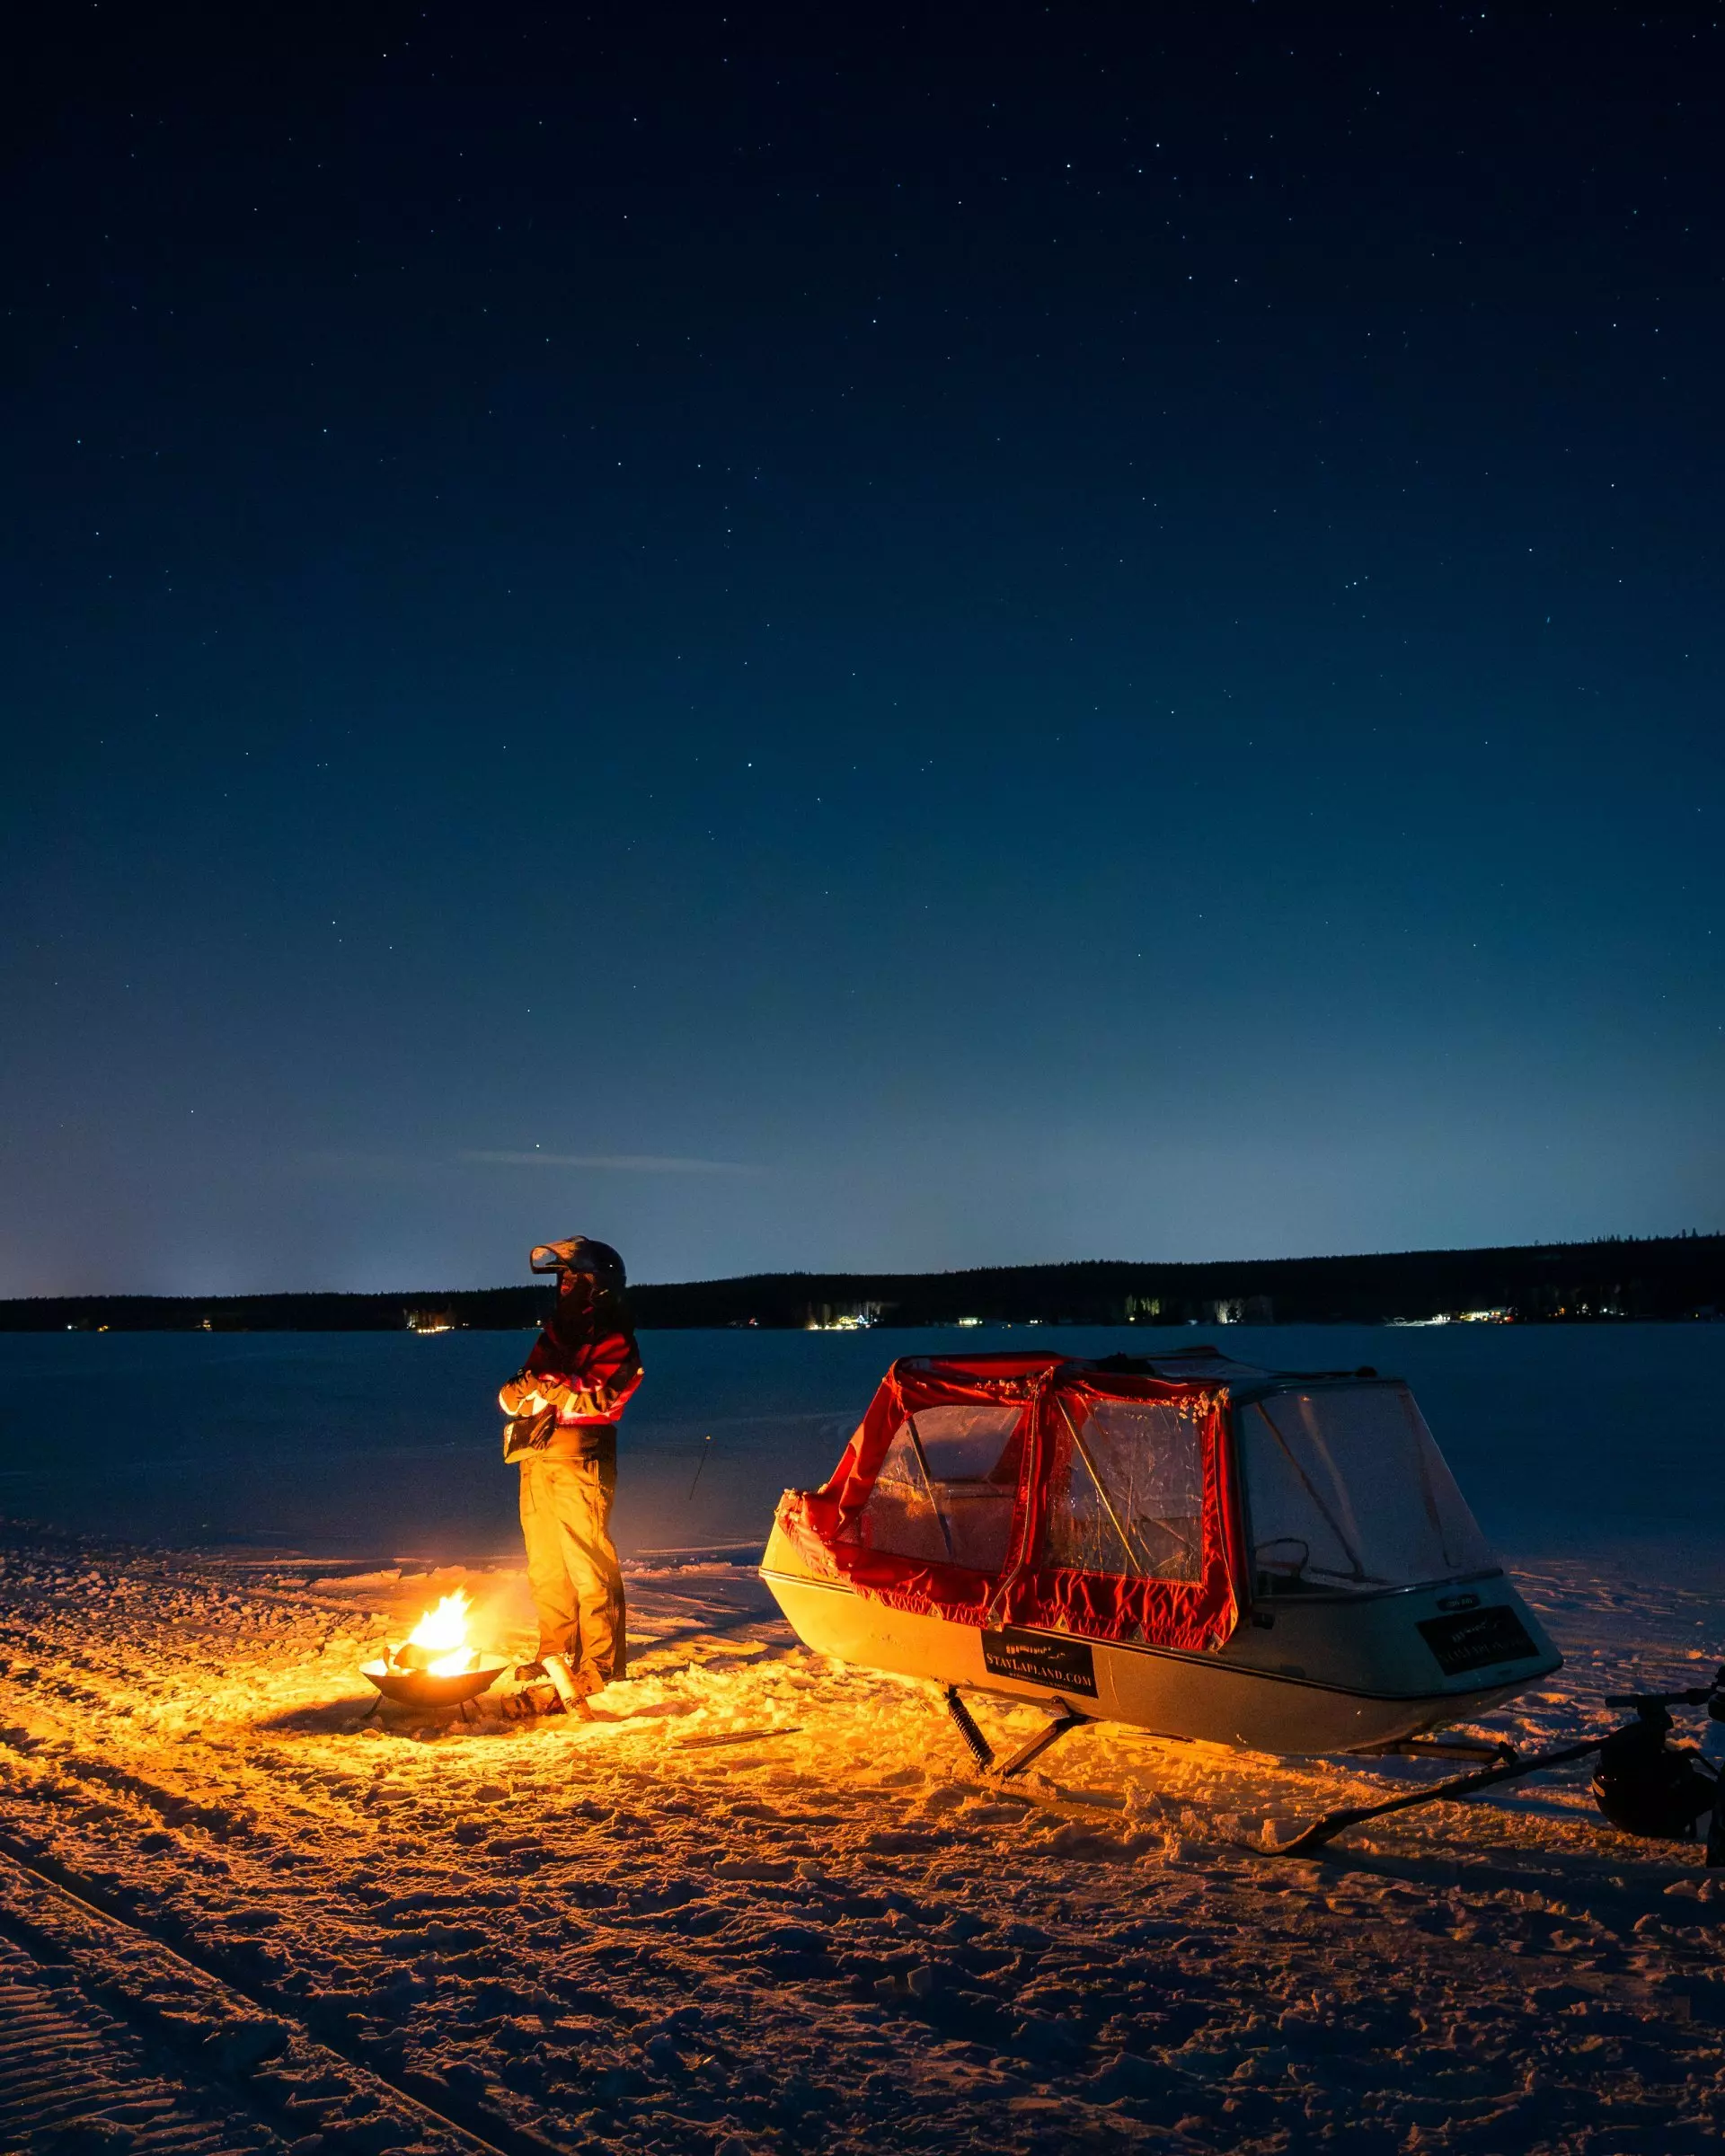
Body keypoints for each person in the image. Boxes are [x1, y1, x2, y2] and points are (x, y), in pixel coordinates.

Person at [498, 1236, 642, 1713]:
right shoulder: (556, 1334)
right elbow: (521, 1394)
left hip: (581, 1454)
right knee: (545, 1563)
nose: (565, 1286)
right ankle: (553, 1654)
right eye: (562, 1278)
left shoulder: (614, 1335)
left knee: (586, 1562)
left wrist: (551, 1387)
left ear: (598, 1283)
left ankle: (599, 1664)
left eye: (574, 1277)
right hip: (536, 1453)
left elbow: (600, 1397)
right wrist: (527, 1389)